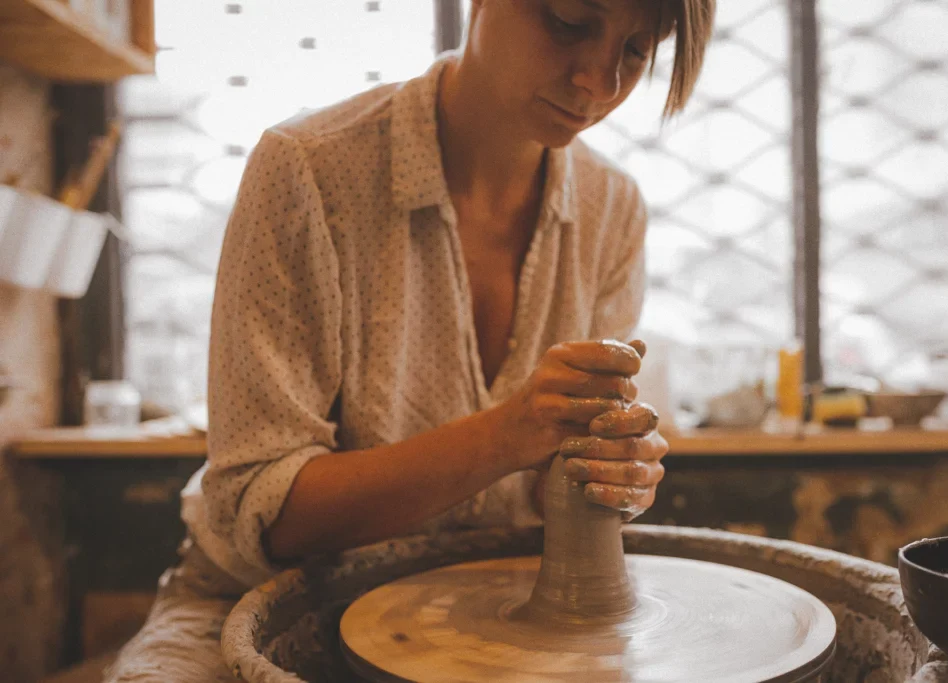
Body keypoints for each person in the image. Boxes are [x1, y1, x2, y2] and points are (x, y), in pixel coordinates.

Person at [104, 0, 715, 680]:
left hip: (499, 592)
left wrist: (609, 471)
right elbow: (265, 512)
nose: (600, 84)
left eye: (636, 51)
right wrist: (503, 435)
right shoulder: (308, 170)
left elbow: (555, 489)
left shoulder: (614, 207)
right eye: (570, 22)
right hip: (260, 595)